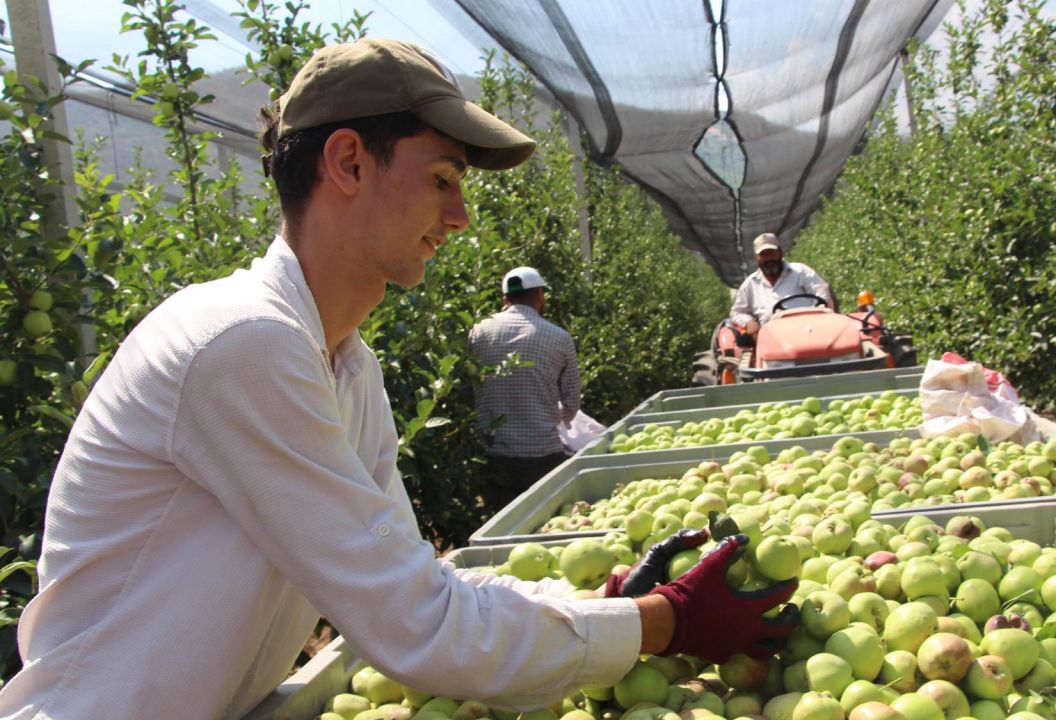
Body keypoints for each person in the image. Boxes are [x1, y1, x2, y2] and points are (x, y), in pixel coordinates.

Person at [0, 38, 797, 719]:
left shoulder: (346, 365)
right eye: (443, 180)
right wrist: (661, 623)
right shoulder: (242, 343)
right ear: (348, 161)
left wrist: (604, 606)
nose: (460, 219)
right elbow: (418, 626)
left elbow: (406, 582)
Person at [468, 266, 580, 511]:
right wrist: (553, 414)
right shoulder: (559, 337)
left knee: (502, 525)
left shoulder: (478, 331)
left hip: (494, 454)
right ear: (540, 295)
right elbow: (572, 402)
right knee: (546, 523)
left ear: (505, 299)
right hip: (543, 455)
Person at [730, 232, 835, 337]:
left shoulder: (801, 272)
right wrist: (749, 322)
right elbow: (737, 312)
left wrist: (820, 313)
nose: (768, 259)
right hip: (772, 338)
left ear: (780, 252)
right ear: (756, 258)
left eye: (771, 252)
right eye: (763, 254)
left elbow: (822, 292)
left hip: (808, 331)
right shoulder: (750, 284)